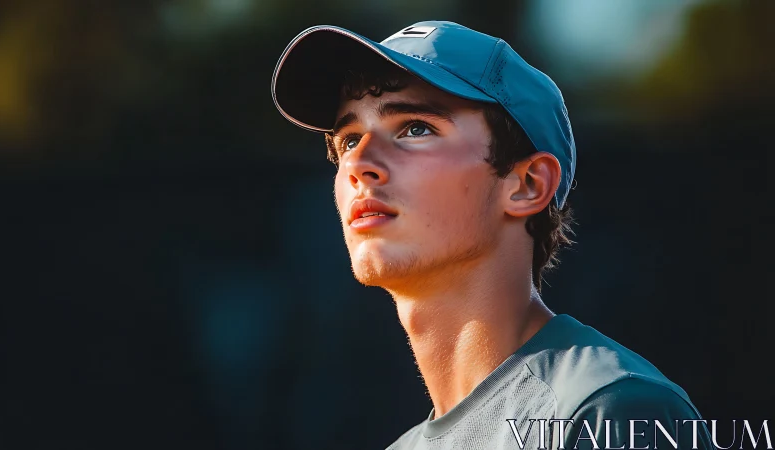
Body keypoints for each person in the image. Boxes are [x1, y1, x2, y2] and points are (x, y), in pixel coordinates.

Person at [271, 21, 714, 450]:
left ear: (527, 185)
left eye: (415, 128)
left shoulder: (609, 411)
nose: (358, 164)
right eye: (348, 139)